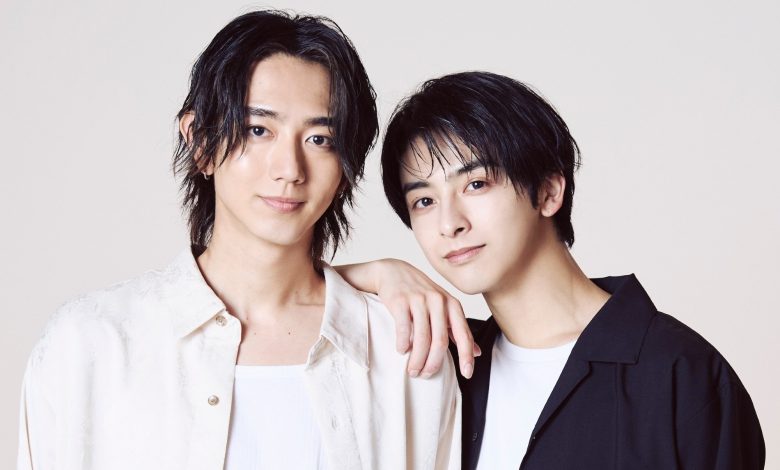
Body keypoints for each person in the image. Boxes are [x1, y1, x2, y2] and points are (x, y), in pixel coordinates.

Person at [17, 11, 463, 470]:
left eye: (319, 139)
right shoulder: (90, 344)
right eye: (258, 130)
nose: (289, 169)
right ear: (200, 143)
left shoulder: (402, 349)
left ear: (346, 167)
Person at [380, 71, 765, 469]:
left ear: (549, 191)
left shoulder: (681, 374)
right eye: (424, 201)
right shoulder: (439, 367)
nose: (449, 224)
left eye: (476, 184)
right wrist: (382, 272)